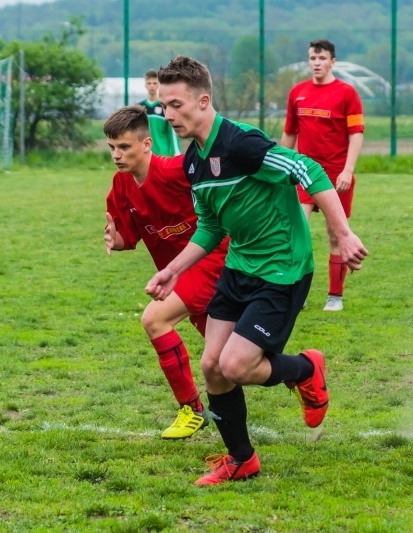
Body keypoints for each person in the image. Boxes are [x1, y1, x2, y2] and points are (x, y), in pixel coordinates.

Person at [146, 56, 368, 485]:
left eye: (175, 104)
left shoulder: (243, 145)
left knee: (236, 367)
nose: (167, 114)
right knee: (212, 365)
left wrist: (341, 234)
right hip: (238, 267)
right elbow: (211, 225)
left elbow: (309, 169)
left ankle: (305, 369)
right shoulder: (194, 162)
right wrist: (173, 270)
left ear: (203, 100)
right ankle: (242, 460)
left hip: (281, 270)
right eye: (164, 105)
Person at [103, 104, 230, 439]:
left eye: (125, 147)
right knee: (231, 360)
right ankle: (301, 370)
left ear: (146, 144)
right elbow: (126, 238)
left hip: (211, 260)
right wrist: (114, 239)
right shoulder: (120, 186)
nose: (117, 155)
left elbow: (219, 185)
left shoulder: (177, 170)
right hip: (178, 273)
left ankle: (191, 409)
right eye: (112, 148)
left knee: (154, 319)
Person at [281, 39, 365, 312]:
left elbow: (356, 133)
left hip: (335, 177)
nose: (316, 63)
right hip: (304, 174)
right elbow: (290, 133)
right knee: (296, 232)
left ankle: (335, 297)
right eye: (312, 58)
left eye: (321, 58)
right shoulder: (297, 93)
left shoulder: (347, 93)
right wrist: (281, 168)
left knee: (334, 233)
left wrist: (348, 170)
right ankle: (297, 293)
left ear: (332, 62)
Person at [139, 69, 181, 157]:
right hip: (143, 156)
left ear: (159, 85)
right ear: (145, 85)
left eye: (154, 83)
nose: (152, 86)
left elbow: (172, 132)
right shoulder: (139, 108)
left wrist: (177, 154)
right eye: (149, 83)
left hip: (162, 155)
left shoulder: (165, 107)